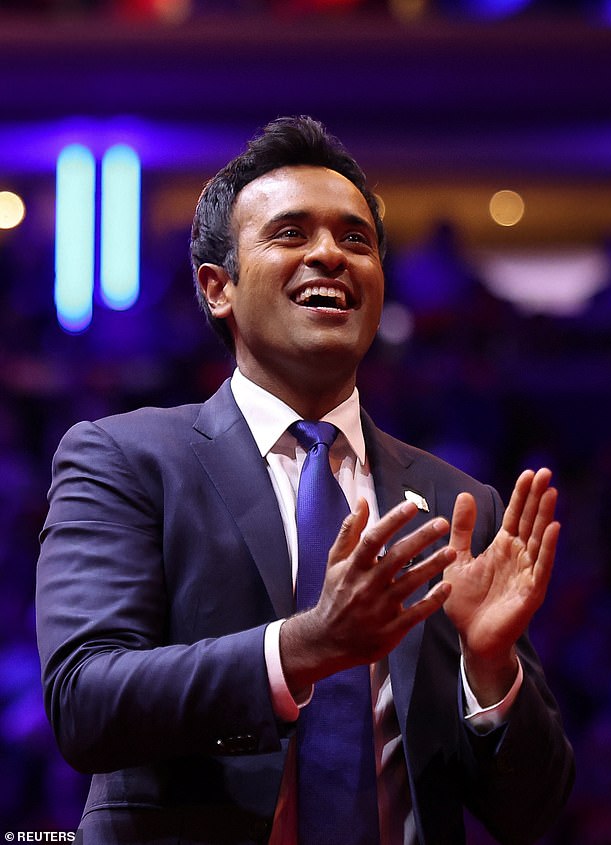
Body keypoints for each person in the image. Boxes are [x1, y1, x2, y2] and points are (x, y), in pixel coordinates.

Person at [36, 116, 574, 845]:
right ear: (217, 288)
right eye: (291, 234)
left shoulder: (455, 502)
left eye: (356, 239)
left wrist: (491, 667)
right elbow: (85, 702)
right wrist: (303, 646)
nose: (331, 254)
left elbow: (532, 813)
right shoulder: (124, 457)